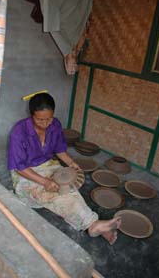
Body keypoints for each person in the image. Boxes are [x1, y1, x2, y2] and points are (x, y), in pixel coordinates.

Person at [8, 92, 121, 244]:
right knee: (54, 196)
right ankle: (93, 225)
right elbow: (20, 167)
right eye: (40, 119)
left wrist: (72, 163)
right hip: (26, 175)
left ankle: (94, 225)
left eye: (49, 118)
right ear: (31, 114)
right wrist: (45, 182)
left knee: (69, 190)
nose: (45, 123)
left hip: (48, 166)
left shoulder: (55, 125)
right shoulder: (19, 131)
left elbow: (60, 150)